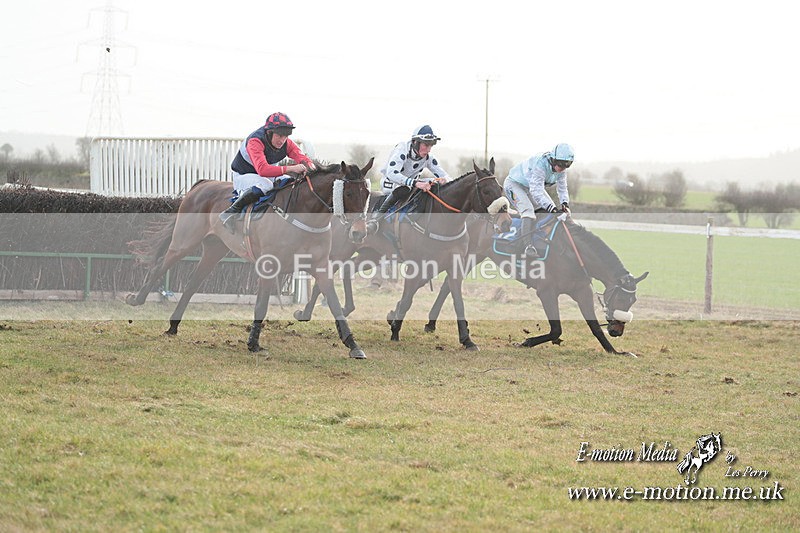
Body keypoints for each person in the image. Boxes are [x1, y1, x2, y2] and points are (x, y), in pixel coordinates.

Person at [219, 112, 316, 233]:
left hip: (265, 176)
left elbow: (302, 157)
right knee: (266, 185)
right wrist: (292, 168)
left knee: (289, 181)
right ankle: (231, 212)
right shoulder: (255, 141)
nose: (282, 140)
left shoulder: (286, 143)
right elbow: (263, 170)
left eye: (285, 136)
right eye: (279, 136)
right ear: (269, 132)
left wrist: (311, 167)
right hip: (243, 175)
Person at [366, 125, 452, 234]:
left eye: (431, 146)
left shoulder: (428, 158)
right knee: (404, 189)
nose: (428, 150)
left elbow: (445, 175)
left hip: (412, 185)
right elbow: (392, 173)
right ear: (415, 143)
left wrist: (444, 180)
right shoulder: (402, 150)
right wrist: (415, 183)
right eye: (426, 145)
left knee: (434, 184)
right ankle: (375, 219)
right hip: (392, 183)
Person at [503, 143, 574, 257]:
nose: (563, 168)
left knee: (551, 210)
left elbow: (562, 188)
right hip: (514, 184)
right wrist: (553, 209)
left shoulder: (562, 170)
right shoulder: (540, 164)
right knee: (528, 210)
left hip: (530, 186)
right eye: (561, 164)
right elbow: (536, 191)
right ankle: (527, 246)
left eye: (567, 165)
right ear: (554, 160)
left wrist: (565, 204)